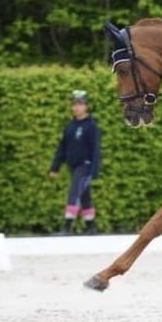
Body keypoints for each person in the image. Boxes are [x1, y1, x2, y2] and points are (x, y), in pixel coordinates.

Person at [48, 89, 101, 235]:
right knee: (85, 196)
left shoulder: (91, 126)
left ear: (86, 106)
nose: (75, 107)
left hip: (85, 165)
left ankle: (66, 227)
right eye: (74, 104)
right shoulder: (70, 126)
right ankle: (91, 227)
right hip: (73, 165)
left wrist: (94, 169)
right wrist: (55, 167)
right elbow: (62, 148)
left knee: (74, 192)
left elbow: (95, 149)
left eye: (79, 104)